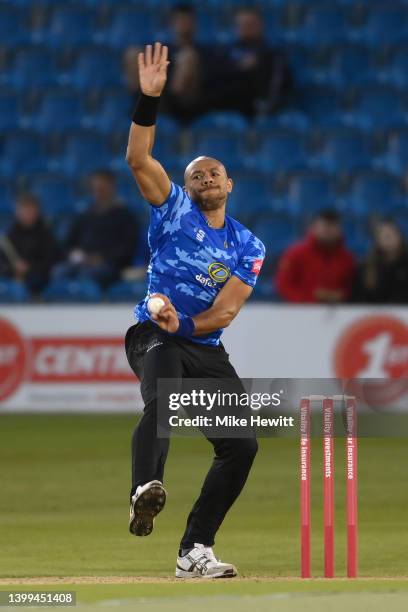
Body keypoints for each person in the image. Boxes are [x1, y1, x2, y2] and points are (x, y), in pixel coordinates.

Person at [125, 43, 265, 579]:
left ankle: (194, 551)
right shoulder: (172, 211)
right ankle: (144, 489)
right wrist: (149, 99)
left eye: (215, 173)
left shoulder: (247, 245)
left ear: (230, 185)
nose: (206, 178)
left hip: (200, 342)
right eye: (198, 174)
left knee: (242, 445)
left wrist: (184, 323)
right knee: (161, 402)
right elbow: (139, 159)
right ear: (186, 187)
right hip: (152, 335)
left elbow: (226, 311)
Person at [53, 170, 138, 289]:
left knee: (88, 275)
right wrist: (75, 254)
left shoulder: (125, 217)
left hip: (109, 265)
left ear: (112, 188)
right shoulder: (85, 215)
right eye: (95, 188)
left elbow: (126, 248)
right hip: (82, 262)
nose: (99, 192)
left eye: (102, 188)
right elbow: (68, 244)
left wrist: (101, 258)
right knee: (59, 272)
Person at [208, 6, 292, 117]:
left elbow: (279, 86)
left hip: (256, 108)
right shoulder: (226, 51)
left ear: (260, 25)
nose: (245, 28)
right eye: (241, 24)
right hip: (226, 105)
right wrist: (240, 67)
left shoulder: (272, 53)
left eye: (250, 24)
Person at [275, 209, 355, 303]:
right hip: (300, 310)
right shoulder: (296, 254)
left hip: (339, 311)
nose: (328, 231)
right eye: (325, 226)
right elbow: (283, 285)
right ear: (313, 227)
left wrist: (340, 295)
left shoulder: (347, 258)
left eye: (333, 226)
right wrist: (310, 299)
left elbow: (351, 287)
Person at [0, 193, 57, 295]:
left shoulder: (46, 235)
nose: (27, 213)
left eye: (30, 209)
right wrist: (12, 267)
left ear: (37, 211)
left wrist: (29, 267)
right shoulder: (10, 235)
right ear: (17, 211)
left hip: (38, 280)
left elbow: (50, 262)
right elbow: (3, 261)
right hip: (12, 277)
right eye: (24, 209)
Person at [352, 219, 408, 304]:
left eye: (392, 234)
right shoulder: (367, 267)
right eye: (385, 236)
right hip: (376, 314)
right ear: (377, 240)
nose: (389, 239)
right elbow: (359, 297)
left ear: (400, 237)